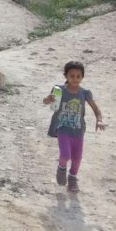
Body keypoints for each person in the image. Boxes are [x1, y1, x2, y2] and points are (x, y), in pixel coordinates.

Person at [43, 61, 105, 193]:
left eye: (78, 76)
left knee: (77, 158)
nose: (75, 79)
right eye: (72, 76)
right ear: (65, 76)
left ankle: (72, 179)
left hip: (78, 130)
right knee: (65, 155)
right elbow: (46, 101)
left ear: (82, 77)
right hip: (62, 127)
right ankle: (61, 167)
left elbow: (96, 109)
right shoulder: (58, 90)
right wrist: (48, 99)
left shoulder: (85, 93)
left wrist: (99, 120)